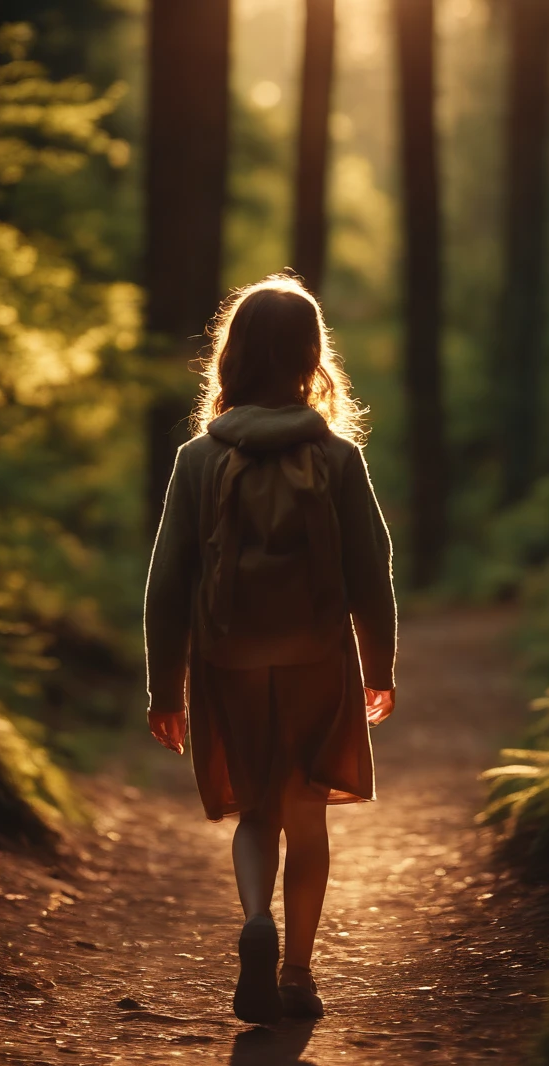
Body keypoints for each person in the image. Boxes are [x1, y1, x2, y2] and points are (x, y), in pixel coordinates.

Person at [144, 274, 397, 1025]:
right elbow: (370, 570)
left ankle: (257, 917)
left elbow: (167, 582)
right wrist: (379, 667)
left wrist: (166, 689)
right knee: (305, 812)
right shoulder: (339, 459)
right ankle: (297, 973)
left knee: (257, 813)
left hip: (229, 657)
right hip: (317, 655)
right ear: (311, 358)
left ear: (232, 357)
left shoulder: (198, 458)